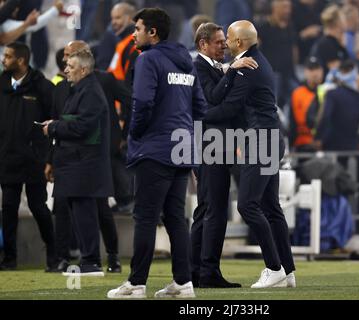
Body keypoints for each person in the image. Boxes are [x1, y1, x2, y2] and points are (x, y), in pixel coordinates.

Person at [107, 7, 206, 299]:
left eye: (137, 28)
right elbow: (200, 107)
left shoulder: (147, 59)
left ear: (152, 32)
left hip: (154, 149)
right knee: (175, 217)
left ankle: (136, 284)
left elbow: (142, 102)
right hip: (181, 147)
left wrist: (135, 133)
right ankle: (183, 283)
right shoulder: (187, 61)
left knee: (146, 217)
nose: (133, 33)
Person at [203, 20, 296, 288]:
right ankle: (287, 271)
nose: (226, 44)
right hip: (272, 138)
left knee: (247, 205)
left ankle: (273, 267)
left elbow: (230, 107)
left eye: (229, 39)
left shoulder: (248, 67)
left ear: (240, 43)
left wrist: (198, 115)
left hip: (260, 141)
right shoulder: (260, 60)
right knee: (271, 207)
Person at [46, 40, 127, 273]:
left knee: (94, 212)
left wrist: (54, 127)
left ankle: (101, 259)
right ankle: (75, 258)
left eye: (70, 62)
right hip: (73, 162)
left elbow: (83, 125)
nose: (65, 67)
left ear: (83, 65)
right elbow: (70, 120)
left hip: (88, 162)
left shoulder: (95, 86)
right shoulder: (71, 87)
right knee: (74, 211)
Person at [190, 22, 257, 288]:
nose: (224, 46)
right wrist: (231, 71)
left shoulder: (214, 67)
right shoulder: (198, 67)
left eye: (223, 41)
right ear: (202, 44)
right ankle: (205, 272)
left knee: (209, 209)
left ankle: (197, 271)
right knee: (213, 210)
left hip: (219, 145)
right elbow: (212, 97)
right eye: (218, 42)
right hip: (211, 146)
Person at [0, 42, 57, 271]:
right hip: (7, 158)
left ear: (21, 60)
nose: (4, 59)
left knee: (38, 208)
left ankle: (53, 255)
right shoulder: (1, 84)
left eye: (8, 56)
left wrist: (48, 157)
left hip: (34, 159)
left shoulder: (41, 86)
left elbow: (54, 122)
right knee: (9, 209)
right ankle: (10, 259)